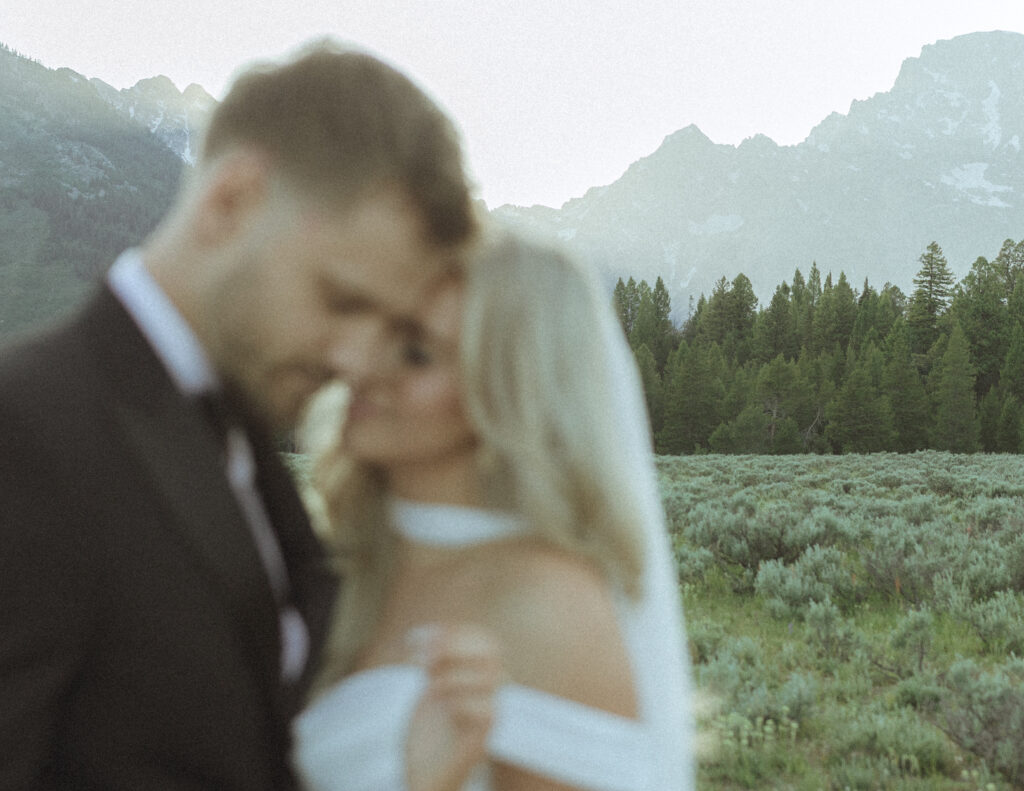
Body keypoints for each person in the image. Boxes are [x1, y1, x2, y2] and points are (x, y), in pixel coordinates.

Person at [0, 40, 496, 790]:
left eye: (390, 327)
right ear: (231, 201)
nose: (361, 361)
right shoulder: (27, 432)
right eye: (342, 298)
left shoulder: (247, 450)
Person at [292, 227, 696, 790]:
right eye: (378, 329)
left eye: (415, 353)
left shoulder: (549, 609)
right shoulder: (331, 553)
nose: (362, 365)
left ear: (503, 393)